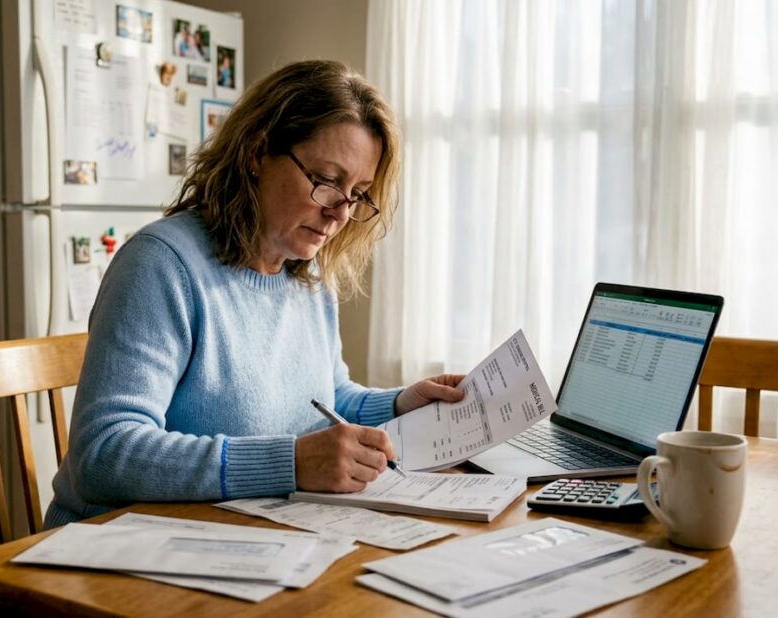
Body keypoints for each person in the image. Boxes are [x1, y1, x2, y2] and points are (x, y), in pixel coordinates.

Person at [44, 60, 465, 528]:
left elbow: (326, 396)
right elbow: (104, 453)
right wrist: (291, 462)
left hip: (236, 537)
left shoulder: (306, 277)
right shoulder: (161, 265)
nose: (340, 214)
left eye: (358, 193)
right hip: (111, 552)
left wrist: (399, 404)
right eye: (326, 181)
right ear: (257, 152)